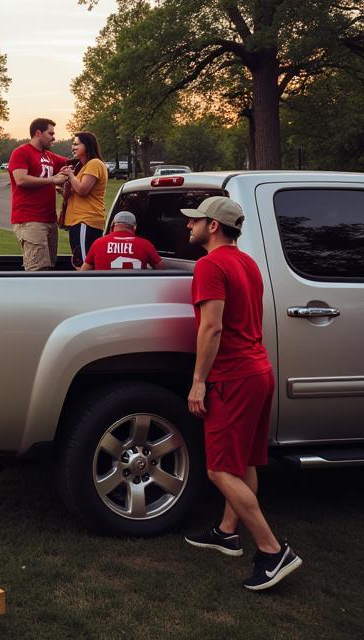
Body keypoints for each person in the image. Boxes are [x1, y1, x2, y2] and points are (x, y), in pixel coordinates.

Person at [180, 196, 302, 592]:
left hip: (233, 377)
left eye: (195, 221)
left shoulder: (210, 265)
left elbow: (211, 327)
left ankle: (271, 550)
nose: (189, 226)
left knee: (219, 470)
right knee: (245, 462)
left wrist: (199, 380)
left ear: (213, 226)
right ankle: (226, 532)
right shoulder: (247, 263)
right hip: (258, 371)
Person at [9, 117, 70, 271]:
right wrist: (52, 179)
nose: (53, 137)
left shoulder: (49, 156)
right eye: (50, 133)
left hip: (49, 220)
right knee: (37, 270)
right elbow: (21, 179)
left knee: (49, 268)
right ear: (38, 133)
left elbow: (72, 162)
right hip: (30, 220)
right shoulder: (21, 152)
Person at [61, 131, 108, 268]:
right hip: (78, 222)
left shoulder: (94, 163)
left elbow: (82, 190)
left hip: (85, 221)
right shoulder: (80, 166)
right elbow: (75, 192)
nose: (73, 147)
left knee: (83, 263)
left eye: (76, 144)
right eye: (72, 144)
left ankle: (87, 289)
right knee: (79, 261)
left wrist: (70, 175)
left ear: (87, 145)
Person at [79, 212, 167, 270]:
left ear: (113, 225)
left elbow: (84, 271)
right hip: (136, 292)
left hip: (105, 292)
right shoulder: (145, 244)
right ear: (134, 227)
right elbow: (162, 270)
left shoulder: (98, 243)